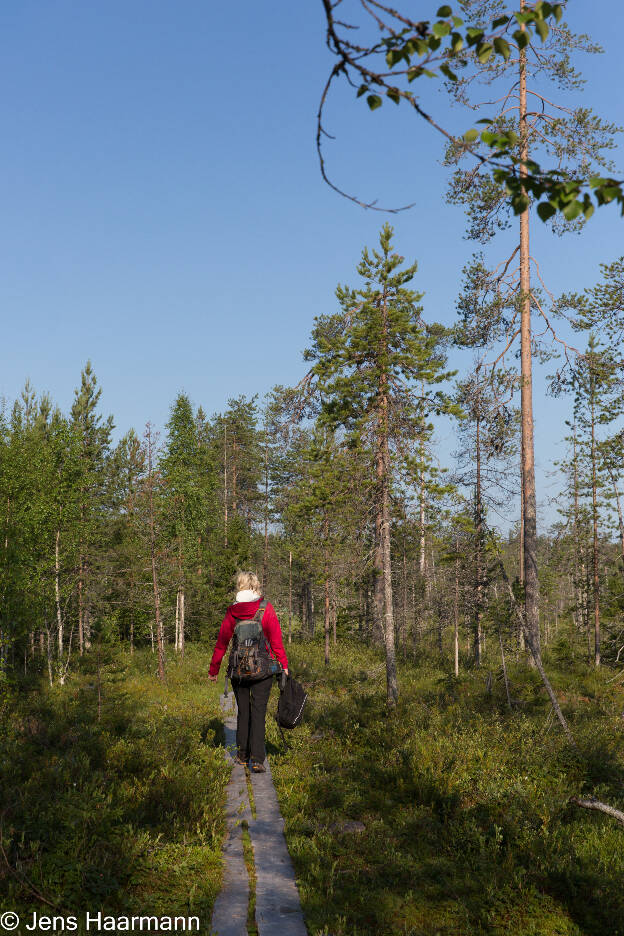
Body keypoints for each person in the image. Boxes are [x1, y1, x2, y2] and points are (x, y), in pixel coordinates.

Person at [208, 571, 288, 773]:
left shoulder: (232, 611)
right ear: (257, 587)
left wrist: (214, 669)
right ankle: (258, 759)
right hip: (263, 670)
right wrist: (283, 665)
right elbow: (276, 641)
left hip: (238, 671)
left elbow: (221, 644)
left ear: (239, 586)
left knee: (243, 712)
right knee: (258, 712)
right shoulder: (266, 609)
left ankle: (242, 756)